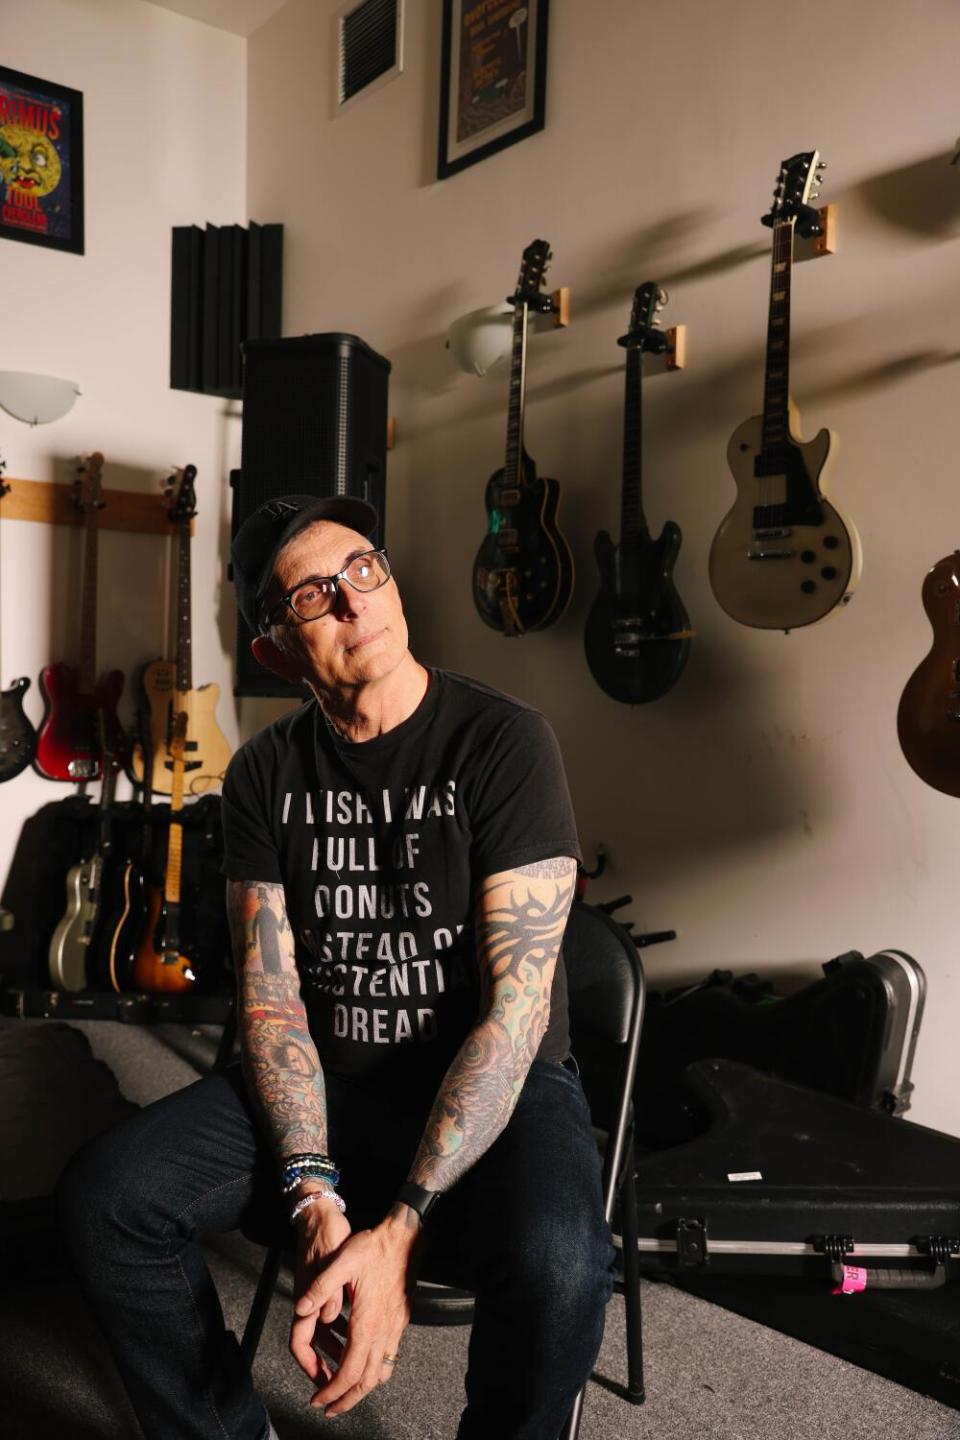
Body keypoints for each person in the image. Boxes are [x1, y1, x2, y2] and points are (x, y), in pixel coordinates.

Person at [57, 494, 615, 1440]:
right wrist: (316, 1200)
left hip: (498, 1087)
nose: (355, 603)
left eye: (364, 569)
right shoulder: (264, 775)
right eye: (314, 596)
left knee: (562, 1258)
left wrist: (398, 1231)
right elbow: (273, 1009)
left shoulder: (505, 742)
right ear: (276, 647)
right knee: (109, 1197)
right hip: (327, 1080)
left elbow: (515, 1017)